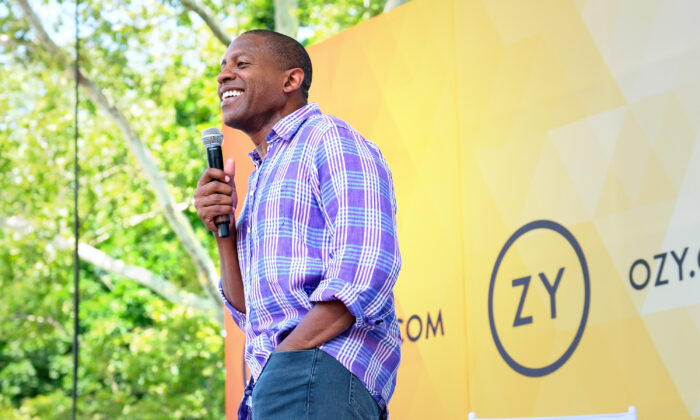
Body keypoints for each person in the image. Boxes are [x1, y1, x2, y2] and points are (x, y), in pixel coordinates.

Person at [193, 29, 402, 420]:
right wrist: (223, 231)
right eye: (222, 67)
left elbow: (367, 264)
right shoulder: (262, 174)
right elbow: (246, 310)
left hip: (317, 369)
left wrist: (290, 355)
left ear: (290, 80)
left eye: (241, 63)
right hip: (272, 380)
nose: (223, 75)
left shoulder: (329, 138)